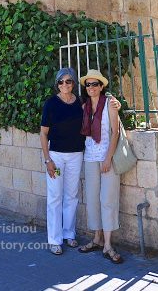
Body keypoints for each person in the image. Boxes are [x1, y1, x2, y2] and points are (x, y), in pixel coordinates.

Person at [78, 69, 123, 264]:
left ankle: (108, 245)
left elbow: (115, 133)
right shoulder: (84, 107)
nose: (91, 88)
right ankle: (96, 239)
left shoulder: (110, 104)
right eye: (88, 85)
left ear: (101, 86)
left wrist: (108, 158)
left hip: (107, 158)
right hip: (89, 157)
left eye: (95, 84)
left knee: (108, 199)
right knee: (93, 199)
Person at [40, 67, 84, 255]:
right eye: (61, 82)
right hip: (56, 158)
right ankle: (55, 239)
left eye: (68, 81)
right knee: (55, 196)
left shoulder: (79, 103)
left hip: (75, 155)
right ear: (57, 84)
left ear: (73, 83)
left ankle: (69, 234)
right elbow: (43, 133)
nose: (64, 85)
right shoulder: (51, 104)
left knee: (72, 196)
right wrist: (48, 160)